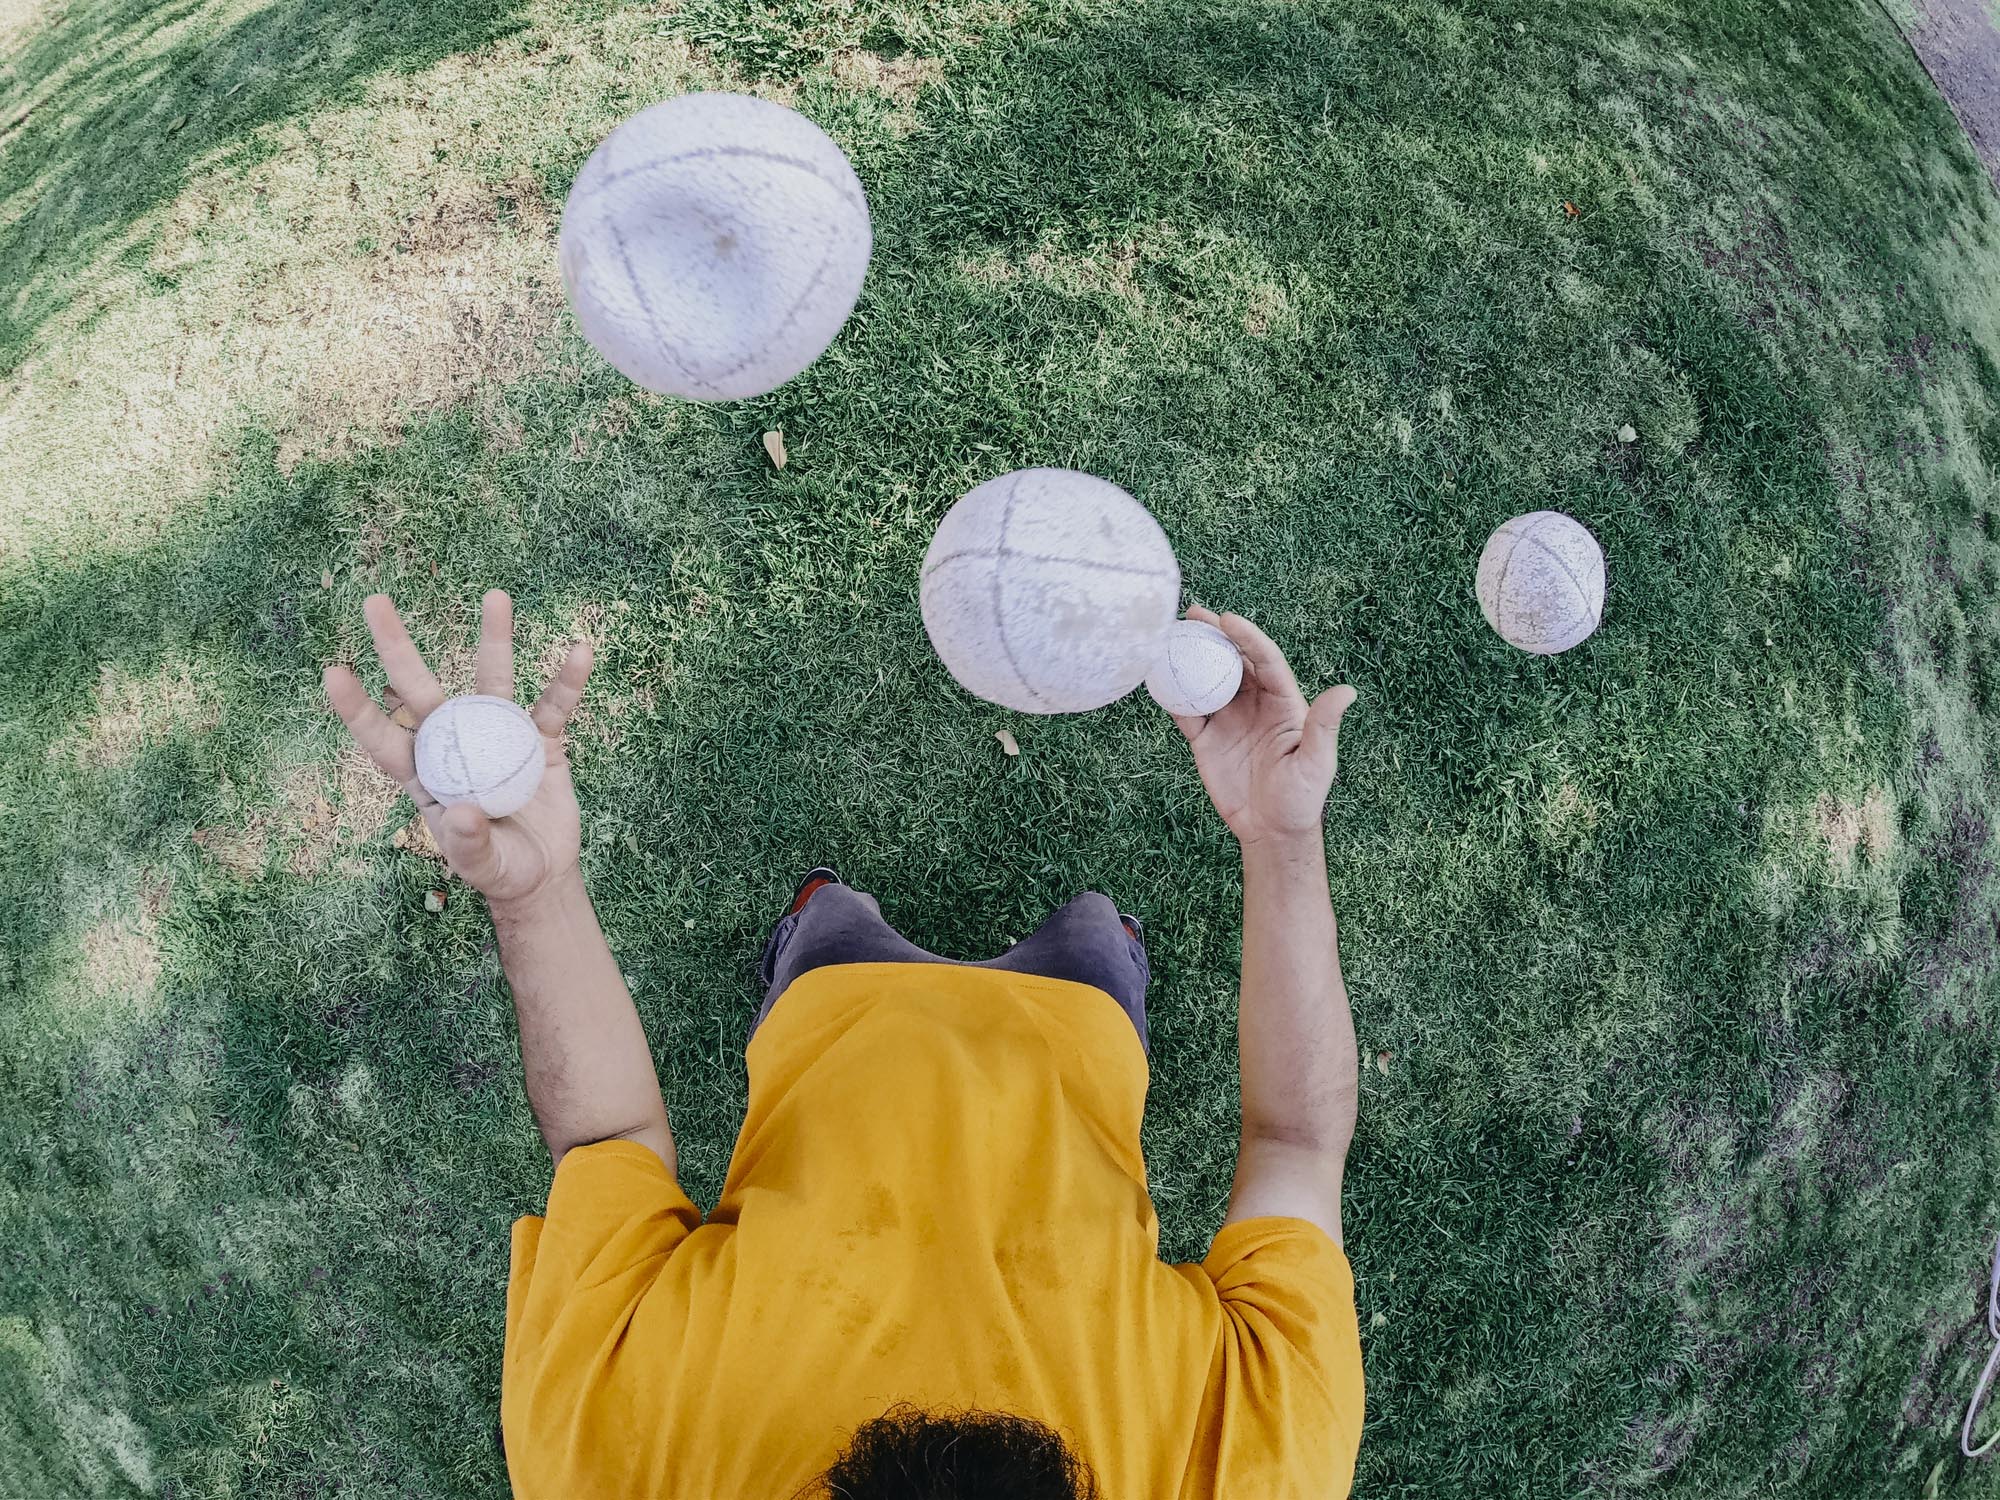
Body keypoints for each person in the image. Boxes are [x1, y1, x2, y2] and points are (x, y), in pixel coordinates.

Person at [324, 589, 1365, 1499]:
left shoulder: (612, 1468)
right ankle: (1094, 945)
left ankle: (818, 917)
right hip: (1077, 1025)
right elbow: (1293, 1142)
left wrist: (537, 894)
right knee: (1094, 928)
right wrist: (1282, 840)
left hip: (836, 1002)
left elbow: (605, 1139)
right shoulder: (1254, 1473)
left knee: (830, 918)